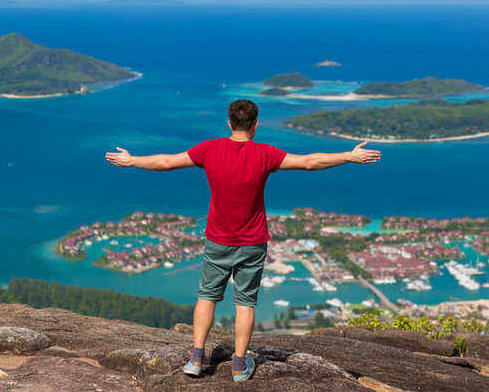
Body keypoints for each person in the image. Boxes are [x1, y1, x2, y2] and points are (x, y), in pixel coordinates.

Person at [105, 99, 381, 381]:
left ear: (229, 123)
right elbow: (309, 162)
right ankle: (239, 366)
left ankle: (196, 359)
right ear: (255, 125)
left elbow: (166, 162)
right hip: (252, 242)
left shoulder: (209, 149)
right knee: (245, 303)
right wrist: (349, 155)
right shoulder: (264, 153)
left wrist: (131, 161)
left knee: (207, 297)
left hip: (218, 240)